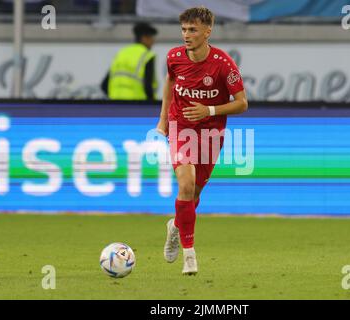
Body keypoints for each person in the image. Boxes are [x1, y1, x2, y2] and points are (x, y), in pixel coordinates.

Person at [156, 7, 248, 275]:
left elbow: (242, 103)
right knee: (184, 186)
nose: (187, 35)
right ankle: (189, 255)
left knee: (193, 195)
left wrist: (209, 110)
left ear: (208, 32)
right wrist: (163, 120)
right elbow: (170, 84)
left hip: (210, 132)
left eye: (193, 30)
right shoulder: (174, 57)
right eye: (184, 29)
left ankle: (175, 226)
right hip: (181, 127)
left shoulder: (224, 64)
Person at [101, 22, 158, 100]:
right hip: (137, 105)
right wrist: (152, 104)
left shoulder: (121, 53)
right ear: (144, 38)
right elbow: (148, 86)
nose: (153, 42)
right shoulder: (147, 55)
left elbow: (104, 85)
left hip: (114, 104)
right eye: (151, 38)